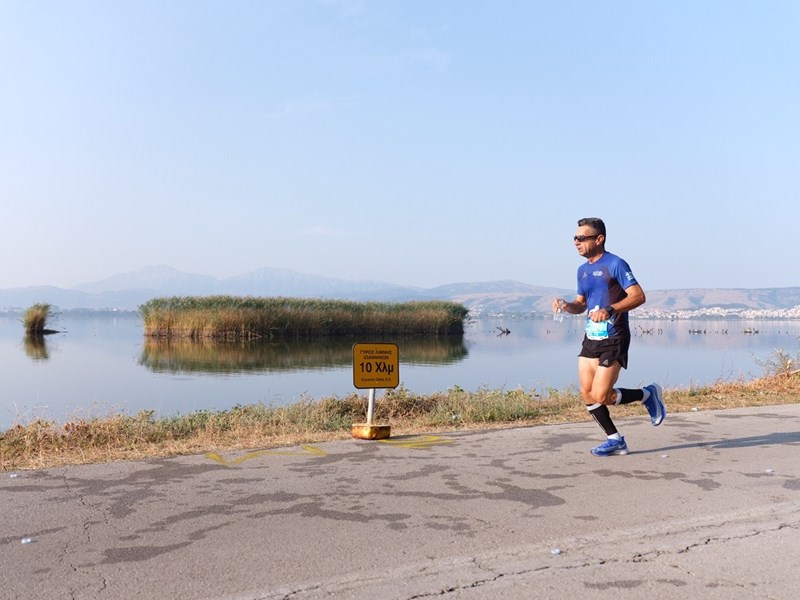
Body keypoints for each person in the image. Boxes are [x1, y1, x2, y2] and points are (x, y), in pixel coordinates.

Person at [553, 217, 665, 456]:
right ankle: (615, 439)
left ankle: (647, 394)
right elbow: (581, 304)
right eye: (575, 238)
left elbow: (638, 296)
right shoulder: (582, 270)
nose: (576, 242)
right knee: (587, 393)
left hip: (614, 336)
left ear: (599, 239)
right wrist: (565, 305)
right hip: (591, 338)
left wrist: (611, 309)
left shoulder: (615, 263)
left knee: (602, 395)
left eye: (582, 238)